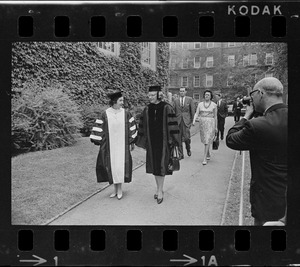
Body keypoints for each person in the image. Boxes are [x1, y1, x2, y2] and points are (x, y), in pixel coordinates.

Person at [226, 77, 288, 226]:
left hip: (267, 201)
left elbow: (231, 139)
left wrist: (247, 115)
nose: (251, 98)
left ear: (260, 93)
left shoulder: (257, 125)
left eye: (252, 94)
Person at [136, 85, 180, 204]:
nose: (149, 97)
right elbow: (142, 126)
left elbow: (173, 125)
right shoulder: (147, 109)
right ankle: (158, 188)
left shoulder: (167, 108)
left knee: (161, 166)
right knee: (154, 167)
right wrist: (142, 140)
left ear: (158, 95)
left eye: (152, 95)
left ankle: (160, 190)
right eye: (149, 95)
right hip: (151, 143)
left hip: (164, 143)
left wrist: (174, 141)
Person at [90, 90, 137, 200]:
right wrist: (99, 140)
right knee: (113, 166)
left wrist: (131, 141)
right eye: (120, 100)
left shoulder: (126, 113)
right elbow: (99, 129)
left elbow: (132, 128)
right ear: (114, 101)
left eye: (122, 100)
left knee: (120, 167)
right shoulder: (105, 114)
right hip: (110, 146)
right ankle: (115, 190)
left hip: (122, 145)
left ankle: (120, 189)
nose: (122, 102)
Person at [192, 89, 218, 165]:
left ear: (210, 97)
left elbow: (215, 116)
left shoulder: (214, 105)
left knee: (207, 138)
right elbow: (196, 113)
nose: (206, 96)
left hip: (210, 123)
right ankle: (208, 152)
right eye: (205, 95)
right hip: (202, 123)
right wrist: (194, 121)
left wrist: (216, 127)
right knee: (204, 139)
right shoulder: (200, 104)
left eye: (208, 95)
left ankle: (204, 158)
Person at [173, 87, 195, 158]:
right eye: (180, 91)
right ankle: (180, 154)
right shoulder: (176, 100)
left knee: (186, 138)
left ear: (185, 92)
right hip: (178, 121)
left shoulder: (189, 99)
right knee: (178, 138)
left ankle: (188, 148)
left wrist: (191, 121)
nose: (182, 92)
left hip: (186, 121)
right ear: (179, 92)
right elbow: (173, 111)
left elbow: (192, 111)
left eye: (183, 91)